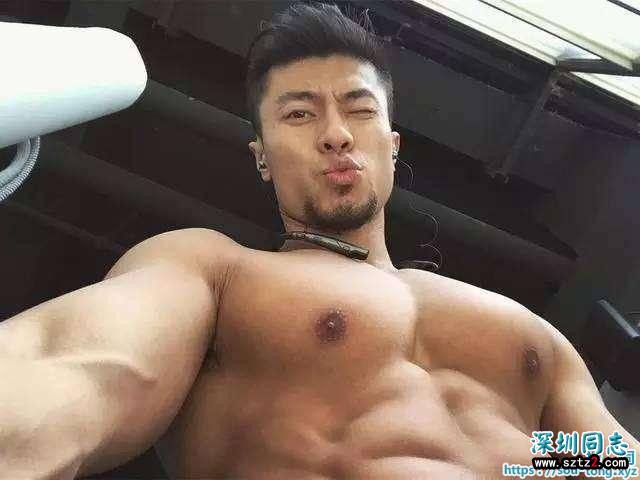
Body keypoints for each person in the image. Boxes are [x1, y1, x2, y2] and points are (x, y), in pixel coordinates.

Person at [1, 2, 638, 479]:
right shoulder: (219, 273)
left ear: (392, 146)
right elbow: (79, 366)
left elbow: (609, 462)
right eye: (300, 114)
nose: (336, 134)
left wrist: (524, 461)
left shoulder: (532, 335)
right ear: (261, 156)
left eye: (360, 110)